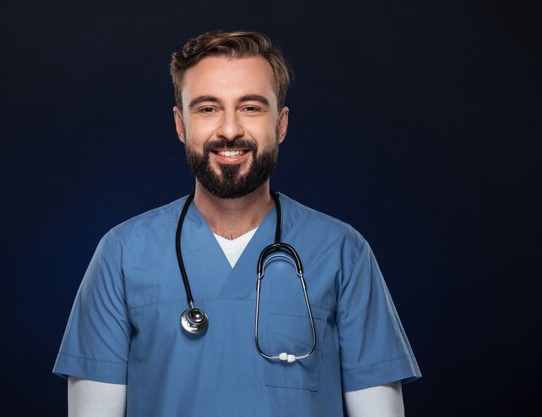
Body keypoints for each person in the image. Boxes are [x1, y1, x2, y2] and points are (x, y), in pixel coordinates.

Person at [53, 29, 421, 417]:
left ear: (281, 124)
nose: (230, 130)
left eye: (251, 107)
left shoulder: (343, 251)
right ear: (180, 124)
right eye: (208, 108)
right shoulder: (122, 254)